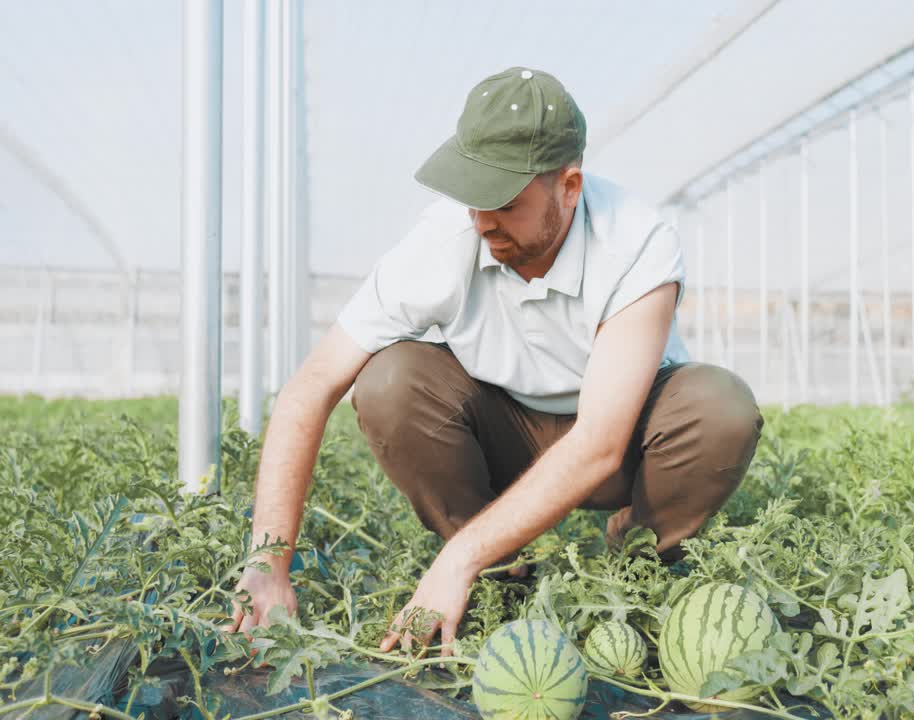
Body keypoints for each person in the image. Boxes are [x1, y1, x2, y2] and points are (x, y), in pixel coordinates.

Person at [228, 67, 763, 656]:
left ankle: (634, 568)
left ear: (570, 185)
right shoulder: (441, 244)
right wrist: (268, 564)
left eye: (504, 202)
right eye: (471, 197)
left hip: (619, 444)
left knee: (719, 408)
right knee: (388, 382)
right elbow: (310, 387)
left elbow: (600, 444)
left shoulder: (635, 243)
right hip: (500, 435)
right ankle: (496, 570)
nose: (483, 221)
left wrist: (452, 560)